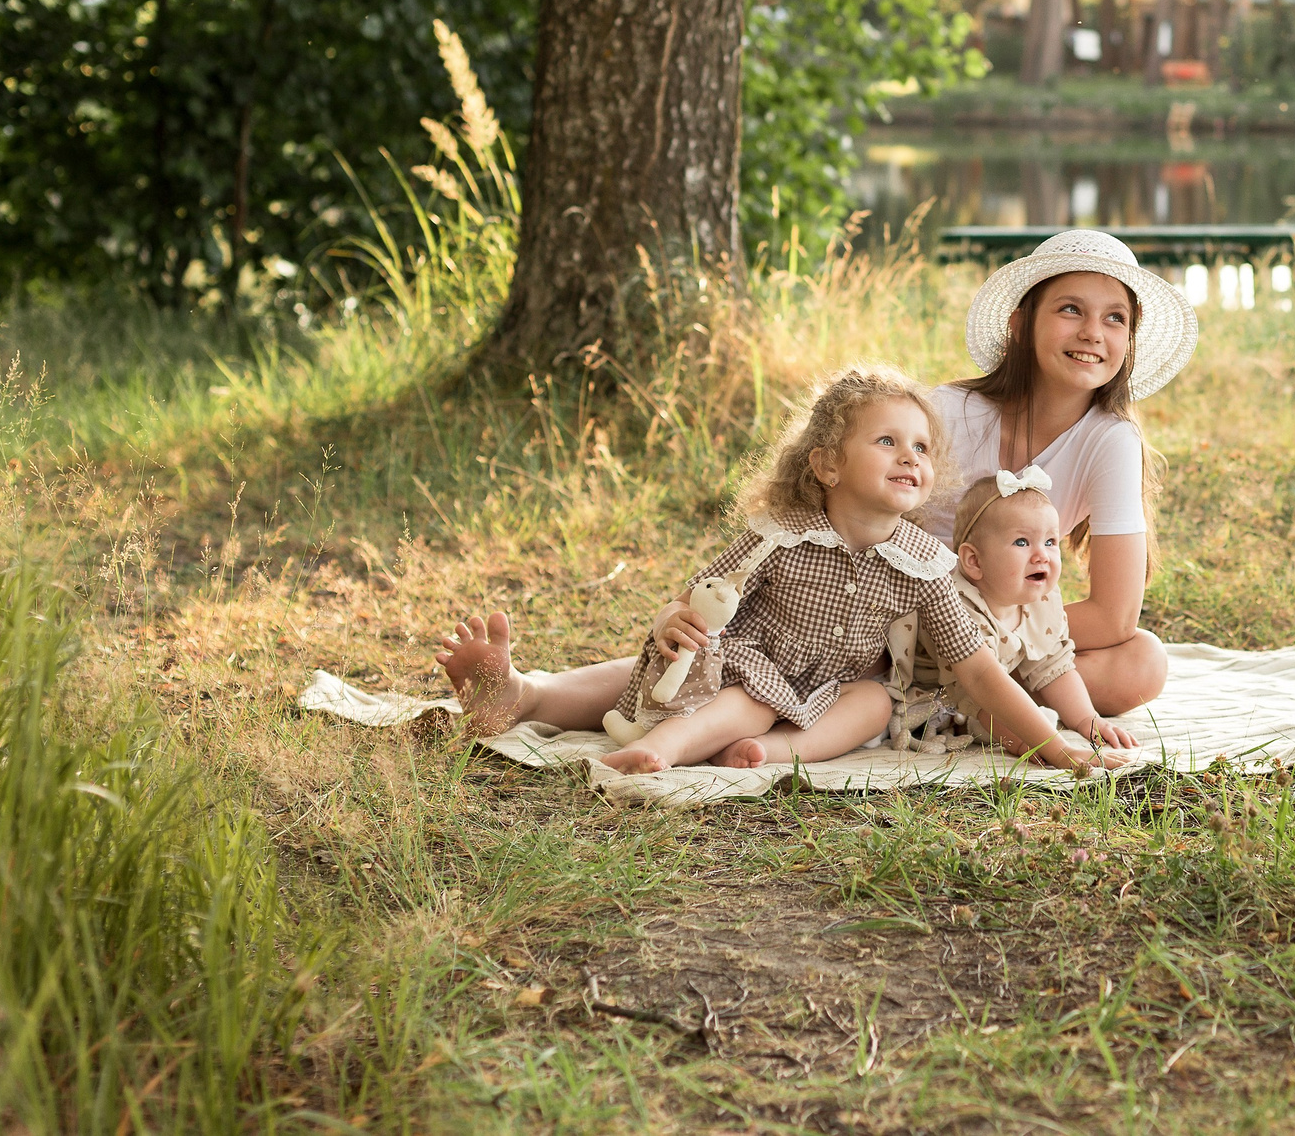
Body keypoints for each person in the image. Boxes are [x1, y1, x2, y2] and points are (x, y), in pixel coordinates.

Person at [435, 367, 1118, 776]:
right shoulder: (783, 535)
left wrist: (1051, 744)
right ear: (826, 464)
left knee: (878, 701)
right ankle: (541, 702)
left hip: (832, 687)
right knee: (646, 675)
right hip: (746, 660)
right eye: (886, 441)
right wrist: (672, 620)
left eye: (920, 446)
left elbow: (978, 671)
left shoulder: (925, 563)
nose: (910, 456)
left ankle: (773, 753)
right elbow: (702, 597)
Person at [924, 229, 1199, 716]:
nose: (1093, 332)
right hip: (907, 625)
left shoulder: (1110, 439)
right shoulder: (948, 413)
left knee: (1143, 660)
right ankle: (957, 699)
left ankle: (962, 702)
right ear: (1019, 324)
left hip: (1002, 633)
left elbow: (1115, 618)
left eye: (1115, 318)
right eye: (1070, 309)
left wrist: (1001, 637)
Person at [892, 469, 1140, 752]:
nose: (1042, 555)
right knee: (994, 719)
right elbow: (981, 690)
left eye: (1050, 542)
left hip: (988, 690)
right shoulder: (957, 605)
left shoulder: (1038, 600)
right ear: (974, 561)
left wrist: (1088, 720)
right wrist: (1032, 744)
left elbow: (1053, 666)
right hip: (944, 690)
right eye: (1022, 542)